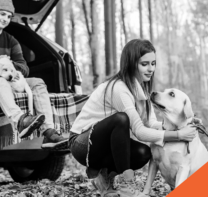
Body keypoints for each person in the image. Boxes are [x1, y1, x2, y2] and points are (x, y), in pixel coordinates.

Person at [68, 39, 198, 197]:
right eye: (145, 64)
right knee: (121, 119)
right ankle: (127, 188)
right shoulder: (119, 88)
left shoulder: (141, 88)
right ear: (131, 64)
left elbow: (150, 124)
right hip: (81, 143)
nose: (151, 69)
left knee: (143, 153)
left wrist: (182, 126)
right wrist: (177, 135)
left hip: (103, 144)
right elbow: (139, 131)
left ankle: (104, 176)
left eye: (153, 63)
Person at [0, 0, 68, 150]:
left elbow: (24, 67)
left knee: (37, 81)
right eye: (2, 14)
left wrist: (11, 70)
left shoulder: (11, 41)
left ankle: (48, 132)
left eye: (9, 16)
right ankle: (20, 120)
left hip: (11, 79)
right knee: (1, 81)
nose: (6, 19)